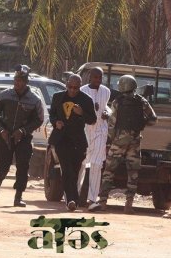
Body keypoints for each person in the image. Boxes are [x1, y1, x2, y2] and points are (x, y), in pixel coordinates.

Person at [97, 75, 157, 214]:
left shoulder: (117, 102)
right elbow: (153, 119)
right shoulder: (142, 101)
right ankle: (128, 205)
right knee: (133, 174)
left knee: (108, 172)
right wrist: (141, 124)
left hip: (118, 142)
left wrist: (111, 139)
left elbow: (112, 123)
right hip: (135, 142)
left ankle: (103, 202)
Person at [0, 65, 44, 207]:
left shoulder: (34, 100)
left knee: (23, 166)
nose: (17, 82)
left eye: (20, 80)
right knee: (3, 163)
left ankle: (18, 196)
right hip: (5, 135)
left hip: (24, 138)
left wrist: (24, 131)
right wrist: (1, 129)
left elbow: (39, 119)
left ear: (26, 82)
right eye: (15, 79)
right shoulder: (4, 95)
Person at [48, 74, 97, 211]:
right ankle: (71, 200)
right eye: (70, 87)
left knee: (74, 172)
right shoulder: (58, 97)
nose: (73, 90)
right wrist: (55, 122)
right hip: (61, 139)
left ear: (80, 86)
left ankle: (73, 199)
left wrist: (81, 113)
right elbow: (52, 114)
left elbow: (92, 120)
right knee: (67, 169)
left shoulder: (86, 100)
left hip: (78, 141)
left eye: (76, 88)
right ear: (66, 84)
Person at [78, 67, 111, 211]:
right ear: (90, 77)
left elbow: (107, 108)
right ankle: (75, 196)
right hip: (84, 131)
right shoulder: (82, 91)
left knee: (97, 165)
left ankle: (92, 199)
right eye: (95, 77)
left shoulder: (106, 91)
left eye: (100, 77)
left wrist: (106, 112)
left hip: (100, 131)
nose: (98, 80)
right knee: (81, 164)